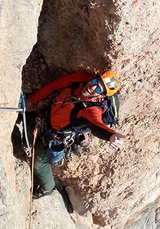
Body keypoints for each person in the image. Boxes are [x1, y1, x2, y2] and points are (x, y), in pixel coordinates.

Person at [25, 70, 127, 199]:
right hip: (49, 120)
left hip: (55, 135)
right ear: (93, 77)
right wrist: (32, 100)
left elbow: (96, 124)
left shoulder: (91, 110)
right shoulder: (80, 79)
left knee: (39, 163)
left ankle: (47, 188)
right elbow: (56, 84)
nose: (93, 87)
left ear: (101, 96)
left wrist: (111, 135)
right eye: (96, 81)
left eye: (99, 89)